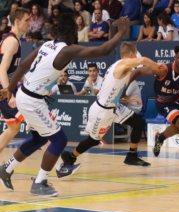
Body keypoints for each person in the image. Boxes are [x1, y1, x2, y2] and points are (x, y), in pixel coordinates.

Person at [0, 15, 131, 196]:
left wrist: (10, 89)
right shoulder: (66, 50)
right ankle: (40, 183)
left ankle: (6, 169)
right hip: (32, 100)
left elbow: (22, 66)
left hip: (25, 94)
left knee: (39, 139)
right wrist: (122, 32)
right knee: (59, 140)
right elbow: (105, 49)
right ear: (71, 33)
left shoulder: (46, 45)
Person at [59, 42, 162, 176]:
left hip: (114, 107)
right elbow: (142, 60)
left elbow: (118, 85)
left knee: (139, 123)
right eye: (136, 53)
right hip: (102, 110)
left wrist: (125, 96)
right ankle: (71, 156)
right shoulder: (122, 65)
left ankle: (132, 155)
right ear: (131, 55)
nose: (137, 56)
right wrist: (157, 65)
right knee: (94, 140)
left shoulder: (122, 67)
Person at [0, 8, 31, 155]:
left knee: (14, 128)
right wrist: (9, 94)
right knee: (37, 123)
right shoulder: (11, 41)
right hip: (3, 90)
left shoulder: (16, 40)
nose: (29, 24)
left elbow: (12, 70)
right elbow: (2, 69)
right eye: (27, 20)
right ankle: (58, 165)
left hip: (6, 88)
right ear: (17, 22)